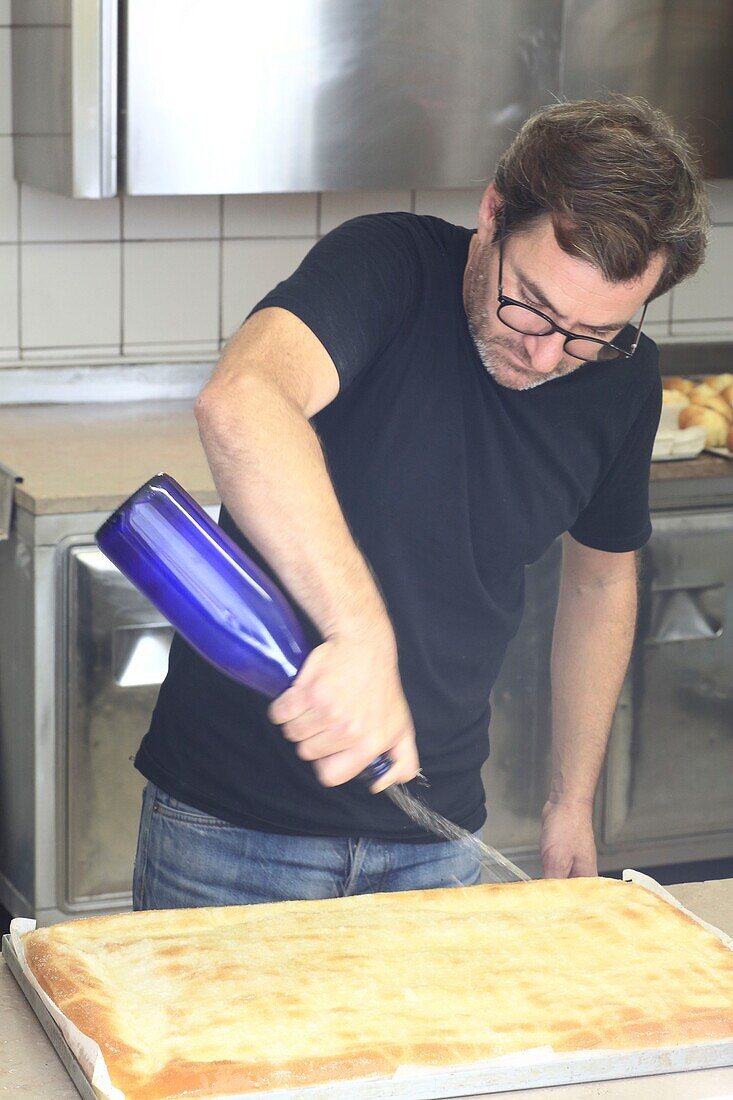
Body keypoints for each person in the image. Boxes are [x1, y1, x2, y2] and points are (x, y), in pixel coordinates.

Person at [132, 95, 709, 910]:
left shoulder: (622, 380)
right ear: (492, 212)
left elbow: (600, 582)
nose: (547, 355)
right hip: (230, 834)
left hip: (436, 846)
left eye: (590, 334)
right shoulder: (388, 265)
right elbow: (242, 402)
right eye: (533, 305)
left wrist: (570, 799)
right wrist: (360, 634)